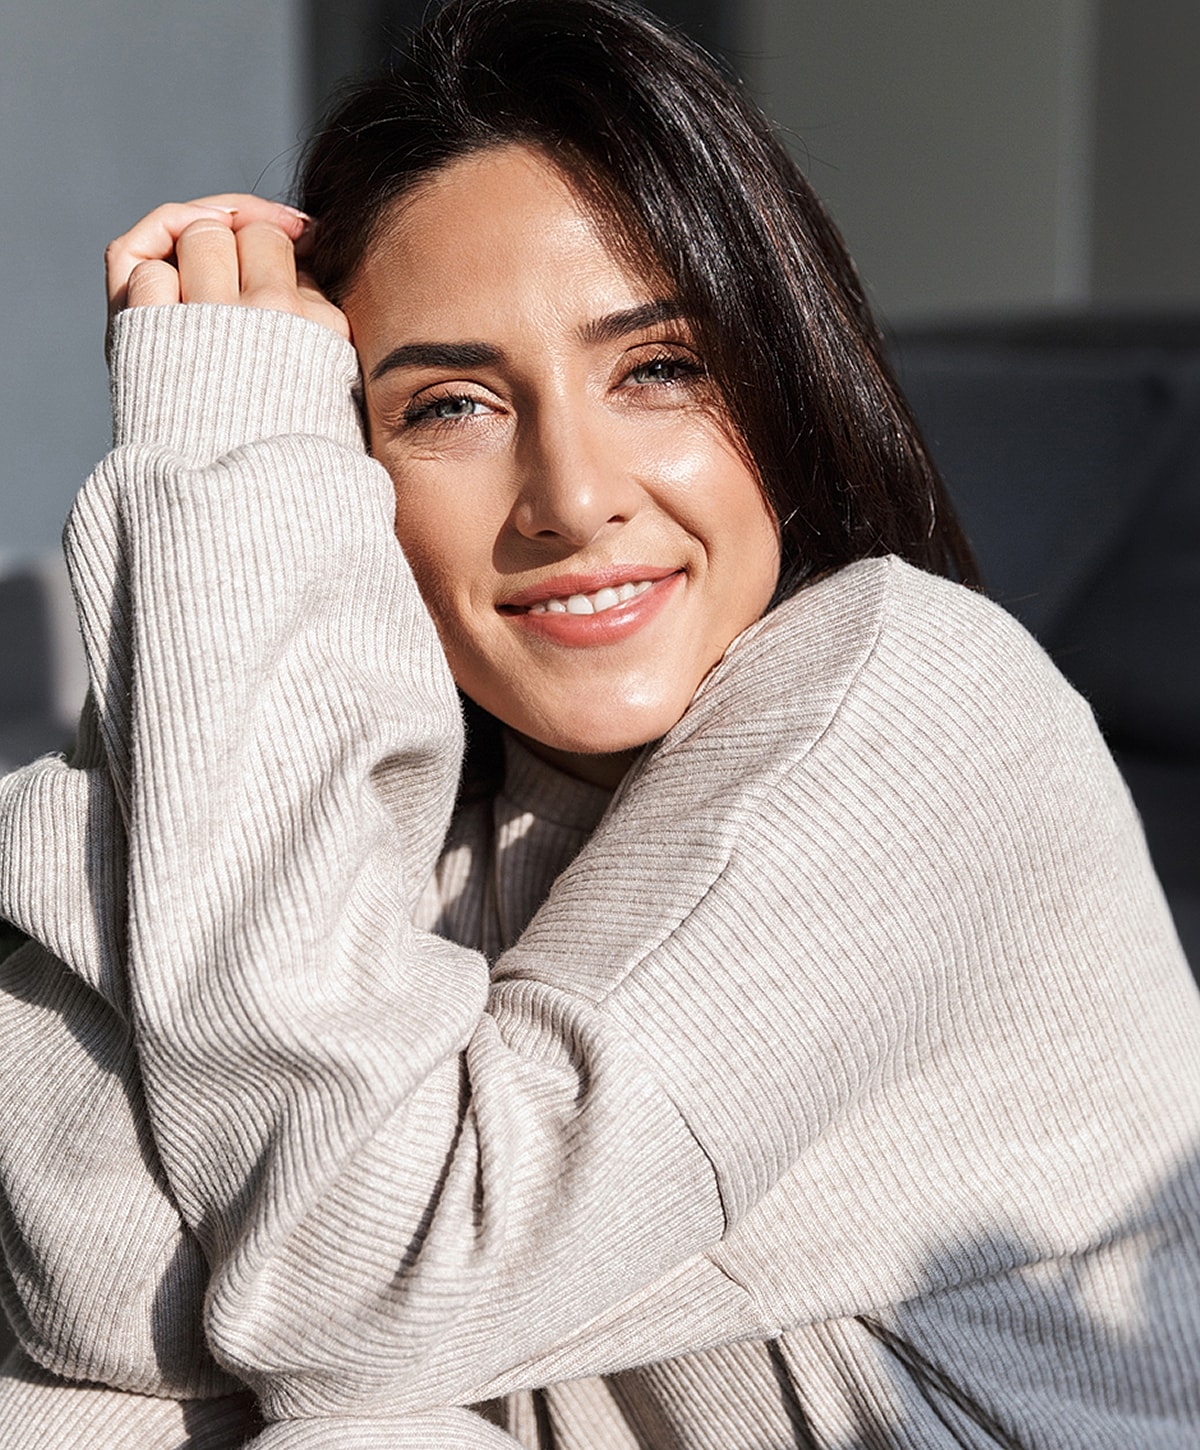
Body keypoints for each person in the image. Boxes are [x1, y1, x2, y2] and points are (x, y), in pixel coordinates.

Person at [1, 0, 1198, 1444]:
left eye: (658, 369)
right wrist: (221, 572)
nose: (571, 499)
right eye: (452, 405)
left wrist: (231, 483)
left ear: (784, 384)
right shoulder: (412, 798)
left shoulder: (922, 709)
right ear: (344, 471)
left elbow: (354, 1290)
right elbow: (89, 1288)